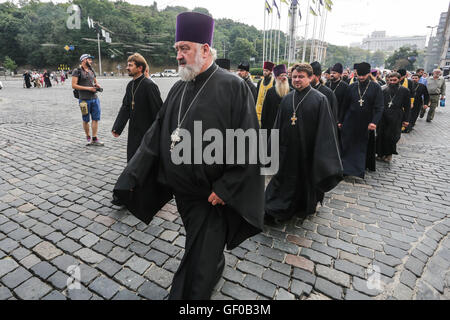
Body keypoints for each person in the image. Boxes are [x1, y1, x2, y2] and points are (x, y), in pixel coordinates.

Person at [113, 12, 264, 300]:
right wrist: (133, 174)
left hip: (211, 194)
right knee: (201, 245)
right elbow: (156, 132)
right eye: (177, 49)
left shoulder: (233, 86)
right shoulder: (180, 86)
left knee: (198, 259)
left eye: (186, 49)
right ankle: (215, 263)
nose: (179, 56)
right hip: (183, 192)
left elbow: (249, 141)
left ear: (205, 50)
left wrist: (226, 187)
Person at [264, 63, 342, 224]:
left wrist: (321, 154)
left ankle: (300, 207)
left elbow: (326, 130)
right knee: (282, 182)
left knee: (303, 183)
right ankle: (277, 208)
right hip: (287, 152)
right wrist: (272, 148)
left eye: (301, 77)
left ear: (310, 78)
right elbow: (277, 125)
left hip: (307, 151)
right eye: (294, 77)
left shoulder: (320, 99)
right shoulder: (287, 98)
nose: (297, 80)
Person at [112, 53, 163, 162]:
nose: (127, 68)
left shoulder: (149, 85)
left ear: (140, 68)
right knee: (132, 158)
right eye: (128, 65)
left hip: (147, 131)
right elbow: (125, 107)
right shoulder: (130, 85)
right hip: (134, 130)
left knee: (145, 161)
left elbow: (158, 110)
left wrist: (158, 134)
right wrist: (118, 127)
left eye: (130, 65)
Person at [340, 62, 384, 178]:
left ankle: (356, 171)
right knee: (347, 145)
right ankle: (345, 169)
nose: (361, 78)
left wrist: (374, 122)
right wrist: (340, 120)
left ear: (369, 74)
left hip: (365, 123)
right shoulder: (352, 87)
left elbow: (379, 107)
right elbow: (344, 106)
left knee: (359, 147)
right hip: (350, 121)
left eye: (363, 75)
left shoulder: (376, 87)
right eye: (359, 75)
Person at [376, 72, 410, 163]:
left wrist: (406, 120)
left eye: (394, 80)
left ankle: (389, 154)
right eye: (390, 80)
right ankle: (380, 154)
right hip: (384, 115)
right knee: (381, 134)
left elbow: (407, 106)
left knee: (392, 136)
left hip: (396, 115)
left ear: (399, 80)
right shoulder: (384, 89)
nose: (392, 82)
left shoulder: (405, 91)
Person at [72, 54, 104, 146]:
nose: (91, 61)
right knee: (86, 120)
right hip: (84, 100)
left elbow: (95, 81)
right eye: (89, 59)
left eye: (91, 60)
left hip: (94, 98)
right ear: (84, 60)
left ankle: (94, 138)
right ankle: (88, 137)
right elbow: (74, 85)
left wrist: (97, 85)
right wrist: (88, 89)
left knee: (95, 119)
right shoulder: (77, 71)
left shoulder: (91, 70)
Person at [261, 64, 291, 131]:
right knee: (274, 141)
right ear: (276, 78)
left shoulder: (292, 91)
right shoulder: (270, 92)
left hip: (286, 127)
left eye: (285, 75)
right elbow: (265, 111)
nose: (284, 78)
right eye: (282, 75)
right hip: (271, 126)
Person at [327, 62, 349, 127]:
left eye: (334, 73)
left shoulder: (345, 86)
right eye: (331, 73)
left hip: (338, 116)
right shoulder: (327, 84)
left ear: (340, 74)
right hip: (326, 114)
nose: (331, 74)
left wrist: (341, 120)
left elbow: (345, 105)